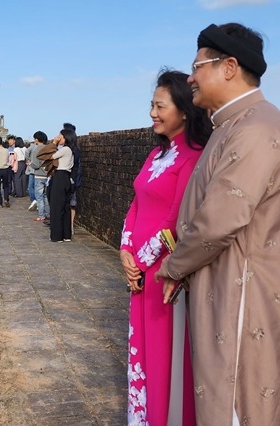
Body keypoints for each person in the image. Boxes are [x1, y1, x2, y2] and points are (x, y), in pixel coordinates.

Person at [155, 23, 280, 425]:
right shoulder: (233, 125)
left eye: (198, 66)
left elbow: (219, 220)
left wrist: (172, 267)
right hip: (233, 284)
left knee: (244, 401)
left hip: (249, 296)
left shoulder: (255, 129)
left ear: (229, 67)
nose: (191, 77)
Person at [120, 69, 212, 425]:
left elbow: (176, 219)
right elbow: (136, 204)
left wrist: (142, 263)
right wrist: (126, 250)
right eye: (152, 105)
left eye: (160, 106)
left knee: (165, 357)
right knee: (141, 350)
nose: (153, 113)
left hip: (165, 275)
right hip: (139, 275)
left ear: (185, 110)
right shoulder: (156, 155)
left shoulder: (195, 157)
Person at [48, 128, 74, 242]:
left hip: (60, 177)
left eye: (61, 136)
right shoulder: (71, 150)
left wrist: (54, 142)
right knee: (65, 207)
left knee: (56, 207)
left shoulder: (65, 149)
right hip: (66, 177)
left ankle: (57, 235)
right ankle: (66, 234)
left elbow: (51, 156)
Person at [63, 123, 82, 232]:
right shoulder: (75, 149)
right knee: (72, 203)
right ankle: (69, 225)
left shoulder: (71, 150)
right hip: (73, 178)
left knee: (69, 202)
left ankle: (68, 225)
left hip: (70, 178)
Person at [29, 131, 50, 221]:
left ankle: (41, 215)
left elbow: (36, 165)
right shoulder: (49, 149)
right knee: (46, 196)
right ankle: (48, 213)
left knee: (39, 197)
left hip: (39, 175)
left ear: (36, 140)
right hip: (48, 175)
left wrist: (30, 164)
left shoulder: (36, 150)